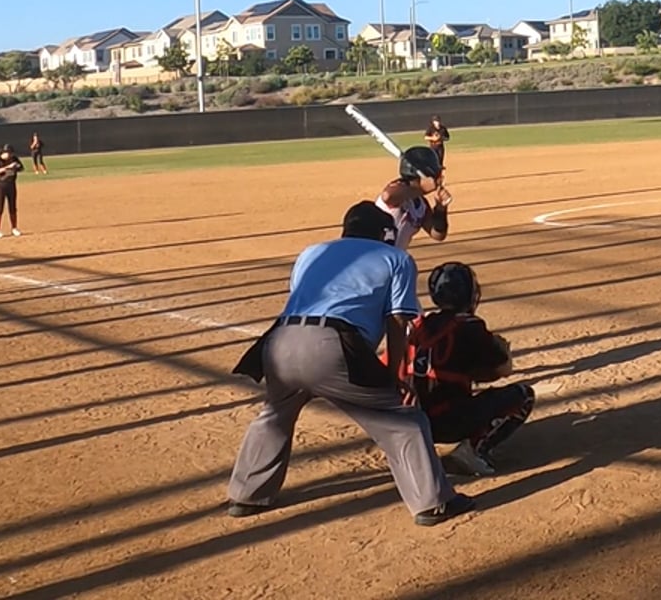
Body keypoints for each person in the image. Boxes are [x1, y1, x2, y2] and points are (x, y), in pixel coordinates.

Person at [226, 201, 473, 526]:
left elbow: (301, 300)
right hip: (332, 346)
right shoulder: (396, 258)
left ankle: (246, 495)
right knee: (404, 421)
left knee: (275, 415)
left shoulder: (311, 252)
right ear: (383, 233)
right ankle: (432, 503)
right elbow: (397, 320)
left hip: (279, 341)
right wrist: (394, 376)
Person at [405, 262, 534, 478]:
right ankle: (472, 452)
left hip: (410, 421)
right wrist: (502, 348)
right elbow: (503, 368)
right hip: (446, 422)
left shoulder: (420, 324)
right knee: (523, 396)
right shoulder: (470, 325)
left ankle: (412, 450)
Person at [376, 146, 452, 252]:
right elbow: (388, 196)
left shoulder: (421, 204)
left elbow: (438, 235)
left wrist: (440, 209)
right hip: (373, 257)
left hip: (392, 259)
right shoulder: (398, 188)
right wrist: (422, 188)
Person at [0, 144, 24, 238]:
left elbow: (21, 168)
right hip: (1, 187)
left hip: (11, 185)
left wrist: (16, 166)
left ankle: (14, 228)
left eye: (11, 153)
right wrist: (8, 167)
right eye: (8, 153)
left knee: (12, 207)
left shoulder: (14, 158)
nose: (9, 155)